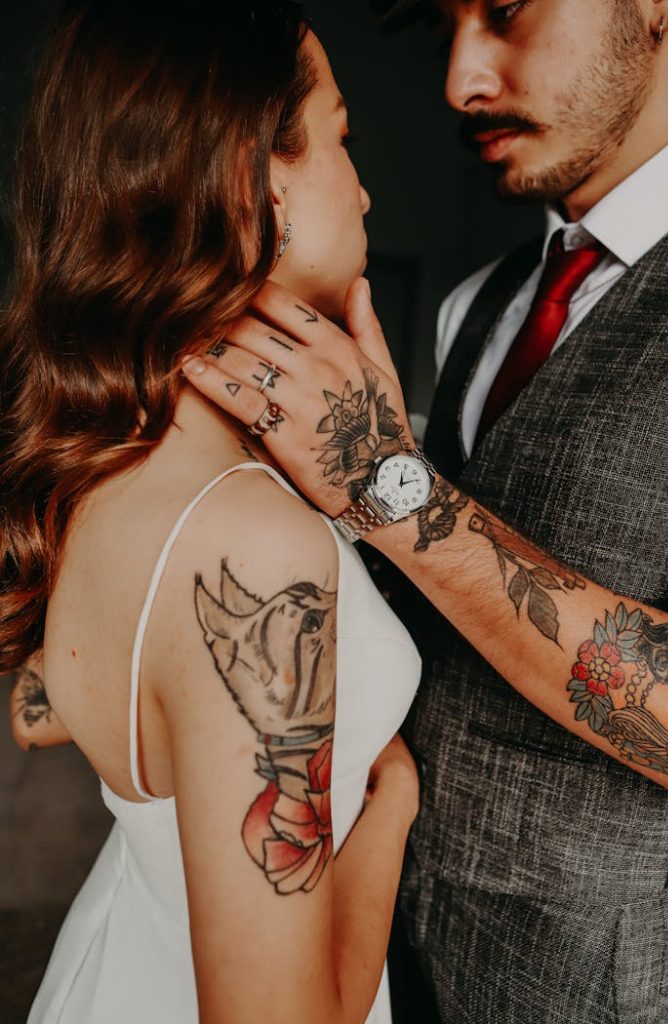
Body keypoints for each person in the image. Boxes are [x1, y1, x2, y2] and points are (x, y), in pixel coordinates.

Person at [182, 0, 668, 1021]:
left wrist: (386, 487)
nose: (461, 79)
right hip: (385, 960)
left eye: (504, 12)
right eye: (443, 28)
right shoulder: (476, 306)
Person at [0, 3, 422, 1023]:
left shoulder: (108, 463)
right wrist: (395, 801)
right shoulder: (246, 538)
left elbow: (46, 705)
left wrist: (375, 490)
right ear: (253, 185)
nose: (362, 186)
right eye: (339, 137)